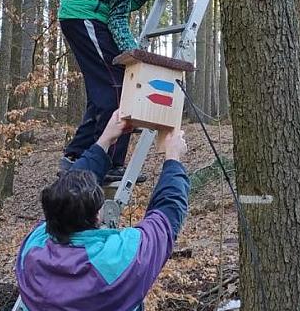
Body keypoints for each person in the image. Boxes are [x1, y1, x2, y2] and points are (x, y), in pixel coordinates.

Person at [58, 0, 193, 182]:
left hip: (93, 15)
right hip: (86, 14)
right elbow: (118, 16)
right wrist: (137, 58)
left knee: (110, 90)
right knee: (119, 90)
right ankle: (104, 164)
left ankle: (77, 156)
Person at [15, 110, 189, 311]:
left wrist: (104, 141)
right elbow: (167, 214)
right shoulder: (118, 258)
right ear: (98, 215)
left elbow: (65, 192)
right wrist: (173, 157)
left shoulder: (32, 250)